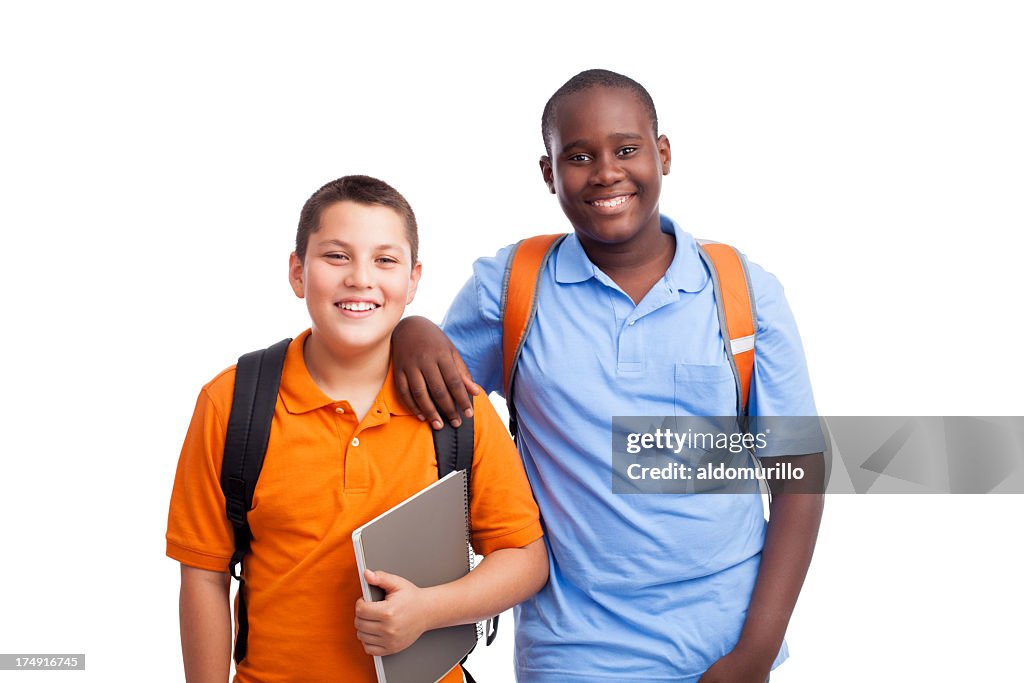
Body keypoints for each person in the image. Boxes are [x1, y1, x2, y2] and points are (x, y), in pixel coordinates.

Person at [392, 70, 825, 683]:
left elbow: (799, 474)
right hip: (571, 646)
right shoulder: (509, 288)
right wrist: (411, 331)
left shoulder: (742, 291)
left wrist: (754, 654)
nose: (605, 172)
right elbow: (420, 408)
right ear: (548, 173)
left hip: (723, 638)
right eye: (578, 156)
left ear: (662, 153)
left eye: (626, 149)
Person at [166, 175, 548, 683]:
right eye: (336, 256)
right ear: (298, 273)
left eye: (384, 260)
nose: (361, 279)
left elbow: (524, 557)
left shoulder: (456, 409)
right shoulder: (232, 403)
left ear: (413, 281)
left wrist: (429, 611)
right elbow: (203, 577)